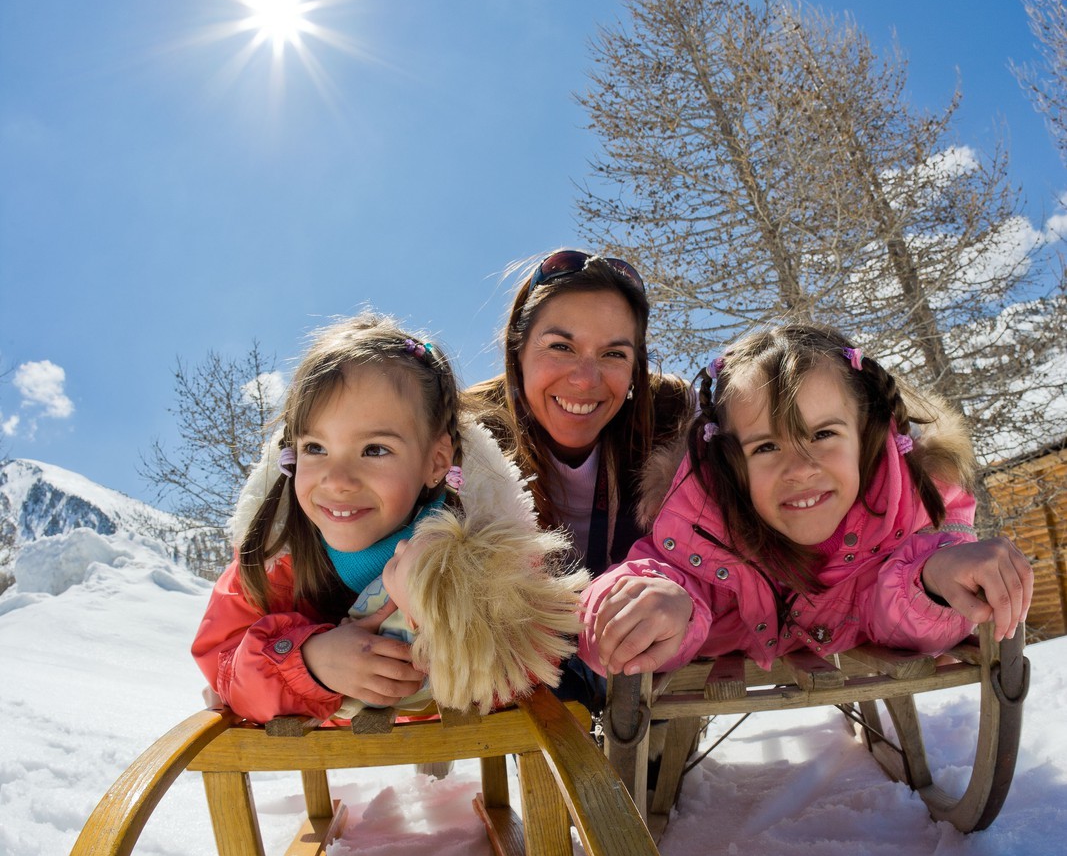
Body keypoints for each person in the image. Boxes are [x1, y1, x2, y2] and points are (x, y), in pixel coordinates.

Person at [193, 313, 586, 724]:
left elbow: (535, 664)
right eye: (315, 448)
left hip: (444, 741)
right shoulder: (273, 561)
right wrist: (307, 663)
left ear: (435, 462)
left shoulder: (484, 553)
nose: (338, 481)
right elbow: (222, 665)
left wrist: (444, 610)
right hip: (343, 761)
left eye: (375, 450)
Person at [580, 323, 1033, 678]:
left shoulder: (908, 514)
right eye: (766, 447)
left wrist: (935, 580)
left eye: (822, 434)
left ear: (867, 437)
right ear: (730, 463)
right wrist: (650, 601)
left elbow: (894, 606)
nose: (799, 469)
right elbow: (661, 570)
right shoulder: (705, 523)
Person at [466, 250, 690, 574]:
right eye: (561, 347)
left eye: (613, 353)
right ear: (518, 349)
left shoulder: (680, 417)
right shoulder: (459, 434)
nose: (585, 381)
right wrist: (362, 619)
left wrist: (685, 598)